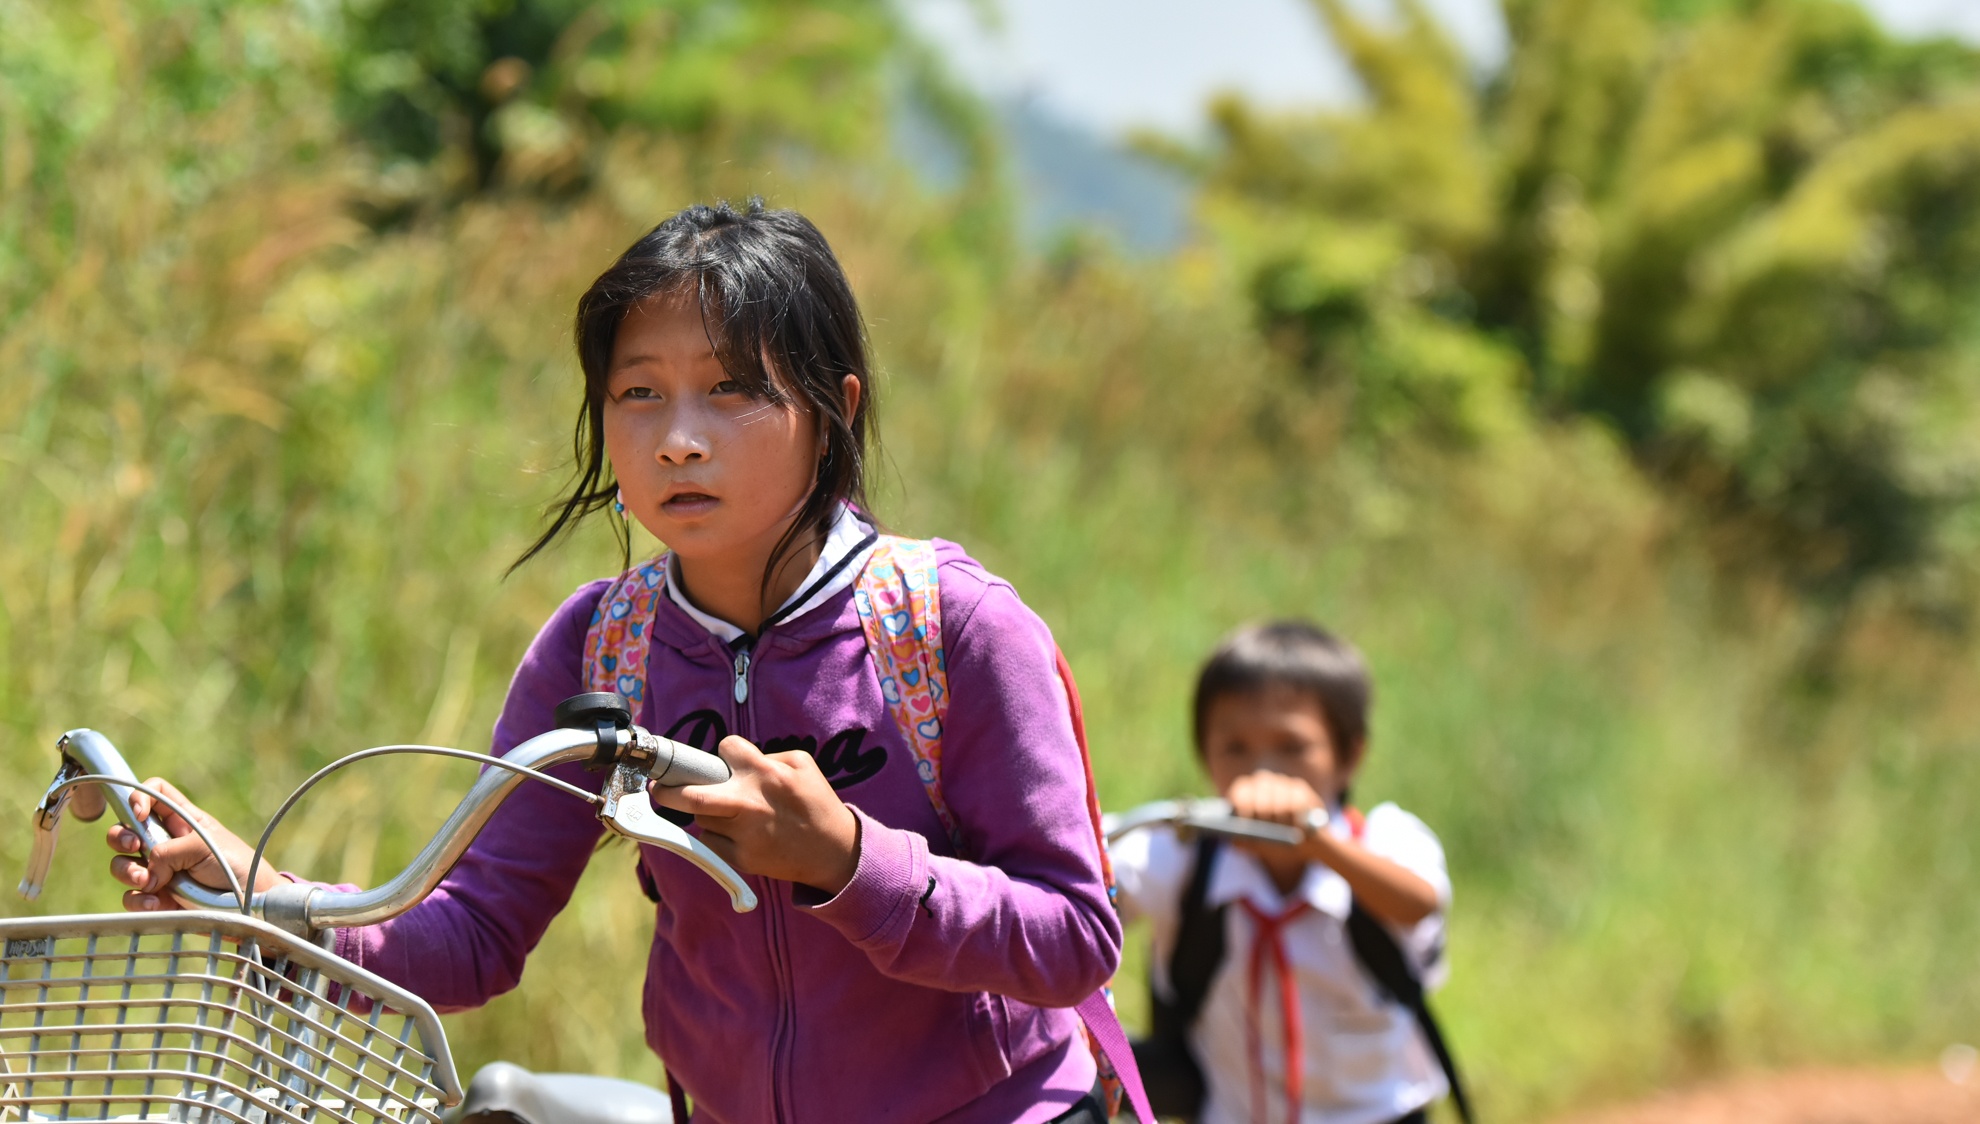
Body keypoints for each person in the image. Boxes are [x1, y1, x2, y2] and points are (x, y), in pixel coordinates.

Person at [87, 200, 1126, 1124]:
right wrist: (269, 898)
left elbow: (1076, 936)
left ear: (835, 411)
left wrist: (849, 862)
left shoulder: (952, 629)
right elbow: (473, 935)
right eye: (638, 393)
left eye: (732, 389)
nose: (678, 438)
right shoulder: (605, 647)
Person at [1113, 621, 1456, 1124]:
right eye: (1235, 748)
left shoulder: (1385, 839)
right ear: (1204, 752)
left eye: (1292, 747)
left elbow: (1420, 902)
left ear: (1349, 755)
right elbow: (1078, 889)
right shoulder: (1182, 855)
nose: (1263, 771)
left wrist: (1315, 841)